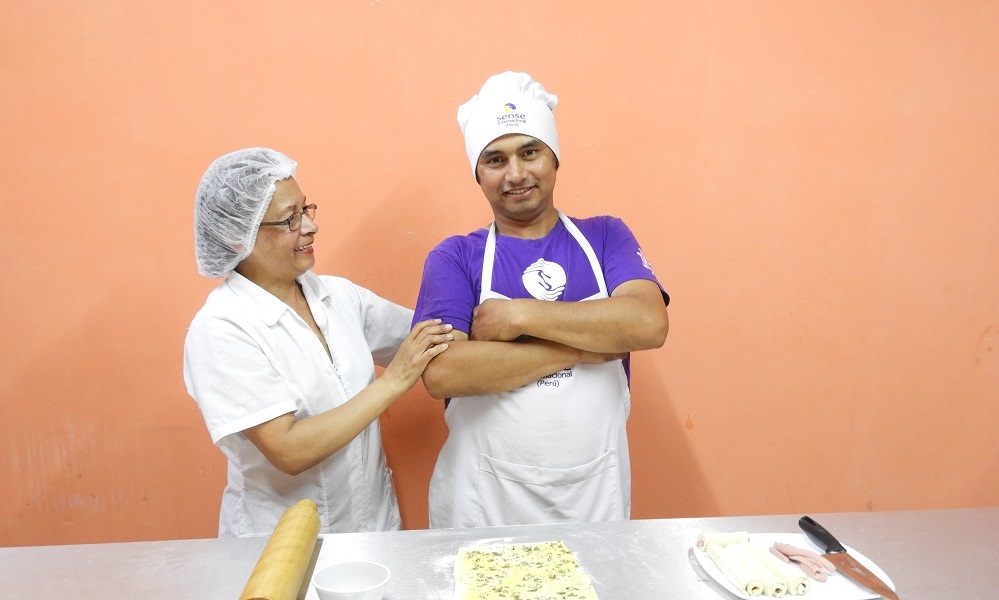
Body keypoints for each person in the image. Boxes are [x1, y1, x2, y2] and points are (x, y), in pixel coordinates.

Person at [412, 72, 670, 529]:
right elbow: (443, 371)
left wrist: (517, 315)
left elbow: (648, 323)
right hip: (482, 505)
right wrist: (579, 347)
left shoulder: (606, 236)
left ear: (553, 157)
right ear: (478, 173)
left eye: (529, 152)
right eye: (495, 159)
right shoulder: (455, 257)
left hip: (592, 500)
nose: (516, 174)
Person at [184, 147, 452, 537]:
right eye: (289, 220)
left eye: (306, 210)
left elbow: (429, 339)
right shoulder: (222, 328)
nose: (310, 227)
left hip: (373, 533)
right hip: (279, 548)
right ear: (236, 237)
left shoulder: (340, 298)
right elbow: (289, 450)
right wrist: (394, 380)